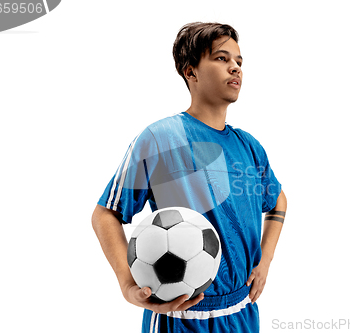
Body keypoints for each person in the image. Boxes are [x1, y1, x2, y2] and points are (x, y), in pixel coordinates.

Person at [92, 22, 287, 333]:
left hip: (242, 312)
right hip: (180, 317)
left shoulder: (249, 146)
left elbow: (277, 200)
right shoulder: (159, 138)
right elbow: (106, 213)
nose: (235, 68)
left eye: (239, 61)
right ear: (191, 72)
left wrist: (265, 261)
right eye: (222, 59)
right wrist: (127, 284)